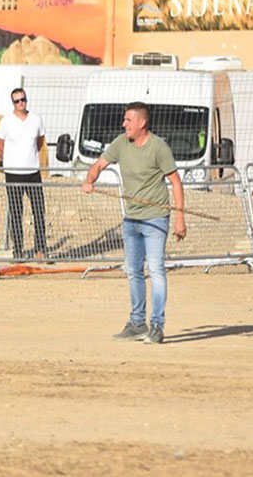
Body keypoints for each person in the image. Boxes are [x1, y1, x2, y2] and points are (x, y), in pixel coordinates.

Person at [82, 102, 186, 345]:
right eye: (124, 120)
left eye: (128, 120)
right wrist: (89, 180)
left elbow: (176, 182)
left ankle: (157, 325)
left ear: (142, 122)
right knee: (133, 271)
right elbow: (98, 165)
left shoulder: (159, 147)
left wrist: (180, 217)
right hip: (131, 219)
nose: (123, 124)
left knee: (157, 271)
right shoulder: (120, 143)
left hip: (155, 218)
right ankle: (137, 323)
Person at [0, 88, 47, 260]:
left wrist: (31, 158)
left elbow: (40, 141)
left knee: (39, 211)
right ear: (13, 104)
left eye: (23, 99)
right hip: (13, 173)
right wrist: (9, 160)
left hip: (33, 171)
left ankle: (41, 248)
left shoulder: (36, 119)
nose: (21, 103)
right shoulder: (6, 121)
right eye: (17, 101)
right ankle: (18, 249)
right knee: (16, 212)